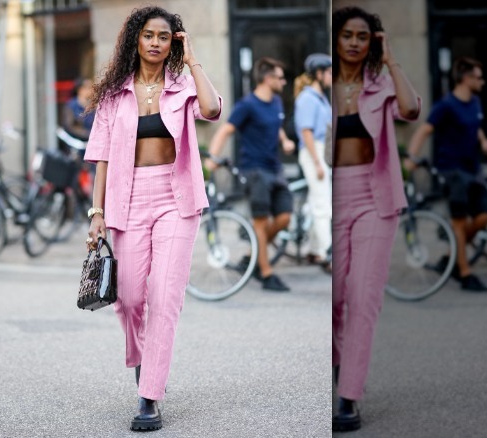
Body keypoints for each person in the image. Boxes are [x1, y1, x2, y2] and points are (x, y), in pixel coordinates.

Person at [83, 6, 221, 431]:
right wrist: (97, 211)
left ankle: (150, 397)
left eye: (165, 36)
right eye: (149, 35)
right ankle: (145, 360)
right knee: (127, 298)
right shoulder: (113, 94)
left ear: (173, 42)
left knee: (164, 296)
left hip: (176, 199)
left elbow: (213, 110)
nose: (156, 42)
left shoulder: (182, 86)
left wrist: (194, 59)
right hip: (126, 200)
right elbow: (102, 159)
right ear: (135, 40)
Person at [332, 6, 421, 432]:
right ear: (336, 39)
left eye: (362, 37)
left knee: (362, 297)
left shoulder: (381, 83)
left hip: (374, 195)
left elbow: (411, 109)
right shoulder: (324, 87)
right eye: (347, 34)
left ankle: (349, 395)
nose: (353, 42)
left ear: (372, 43)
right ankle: (337, 362)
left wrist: (390, 60)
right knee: (333, 297)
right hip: (333, 196)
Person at [205, 57, 296, 291]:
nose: (284, 82)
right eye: (280, 77)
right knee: (261, 221)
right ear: (268, 79)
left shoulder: (276, 102)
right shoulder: (247, 105)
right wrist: (212, 160)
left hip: (275, 168)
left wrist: (285, 141)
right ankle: (265, 273)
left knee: (285, 217)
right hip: (254, 170)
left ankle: (254, 252)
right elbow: (225, 130)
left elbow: (276, 128)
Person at [406, 57, 487, 291]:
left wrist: (484, 141)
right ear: (466, 79)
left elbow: (475, 128)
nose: (482, 82)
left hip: (473, 169)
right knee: (459, 221)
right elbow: (424, 130)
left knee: (484, 217)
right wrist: (411, 159)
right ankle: (464, 273)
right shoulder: (445, 105)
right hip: (451, 170)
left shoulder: (475, 102)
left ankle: (453, 254)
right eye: (478, 77)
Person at [294, 53, 333, 272]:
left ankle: (314, 249)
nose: (331, 76)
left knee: (316, 200)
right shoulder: (307, 98)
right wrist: (318, 162)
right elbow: (306, 131)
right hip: (313, 152)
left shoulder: (320, 97)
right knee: (322, 205)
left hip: (320, 150)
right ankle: (329, 254)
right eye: (329, 72)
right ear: (319, 74)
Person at [62, 77, 95, 141]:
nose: (92, 90)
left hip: (91, 141)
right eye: (88, 88)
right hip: (76, 143)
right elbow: (69, 126)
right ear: (80, 90)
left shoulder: (93, 105)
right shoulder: (71, 105)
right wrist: (87, 134)